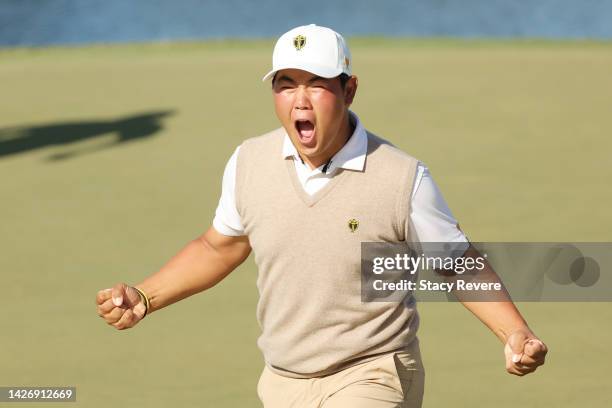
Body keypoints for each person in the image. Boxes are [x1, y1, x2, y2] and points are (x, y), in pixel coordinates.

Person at [95, 24, 547, 407]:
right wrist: (145, 296)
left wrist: (515, 332)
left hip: (374, 372)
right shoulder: (248, 162)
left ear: (349, 89)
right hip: (282, 380)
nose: (300, 100)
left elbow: (458, 263)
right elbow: (221, 246)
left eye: (317, 83)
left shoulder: (402, 177)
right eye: (286, 84)